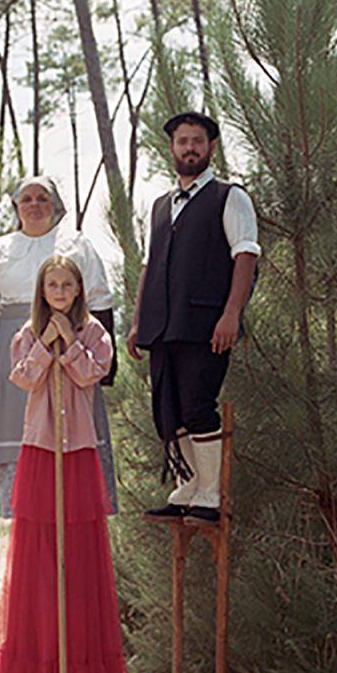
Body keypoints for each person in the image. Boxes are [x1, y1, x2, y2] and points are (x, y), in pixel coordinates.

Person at [0, 176, 118, 517]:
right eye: (26, 198)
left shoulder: (75, 243)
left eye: (42, 197)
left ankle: (70, 516)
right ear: (16, 206)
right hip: (18, 348)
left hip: (71, 344)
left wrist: (107, 364)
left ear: (55, 204)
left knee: (70, 430)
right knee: (20, 431)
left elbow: (100, 301)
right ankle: (28, 514)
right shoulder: (2, 248)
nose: (34, 204)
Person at [0, 256, 128, 673]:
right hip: (40, 449)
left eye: (67, 284)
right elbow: (24, 378)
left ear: (77, 289)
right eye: (52, 284)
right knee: (39, 543)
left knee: (81, 543)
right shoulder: (25, 334)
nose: (59, 290)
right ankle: (41, 648)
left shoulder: (94, 333)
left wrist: (68, 342)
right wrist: (44, 343)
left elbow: (94, 372)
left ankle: (80, 653)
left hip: (78, 451)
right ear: (42, 289)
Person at [126, 112, 260, 524]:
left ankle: (210, 494)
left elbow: (246, 255)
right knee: (169, 410)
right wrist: (137, 321)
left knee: (198, 405)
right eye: (182, 141)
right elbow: (151, 266)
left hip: (205, 324)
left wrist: (231, 314)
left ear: (211, 147)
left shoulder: (228, 196)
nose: (189, 148)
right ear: (171, 148)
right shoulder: (160, 206)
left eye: (197, 141)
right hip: (163, 325)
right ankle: (185, 487)